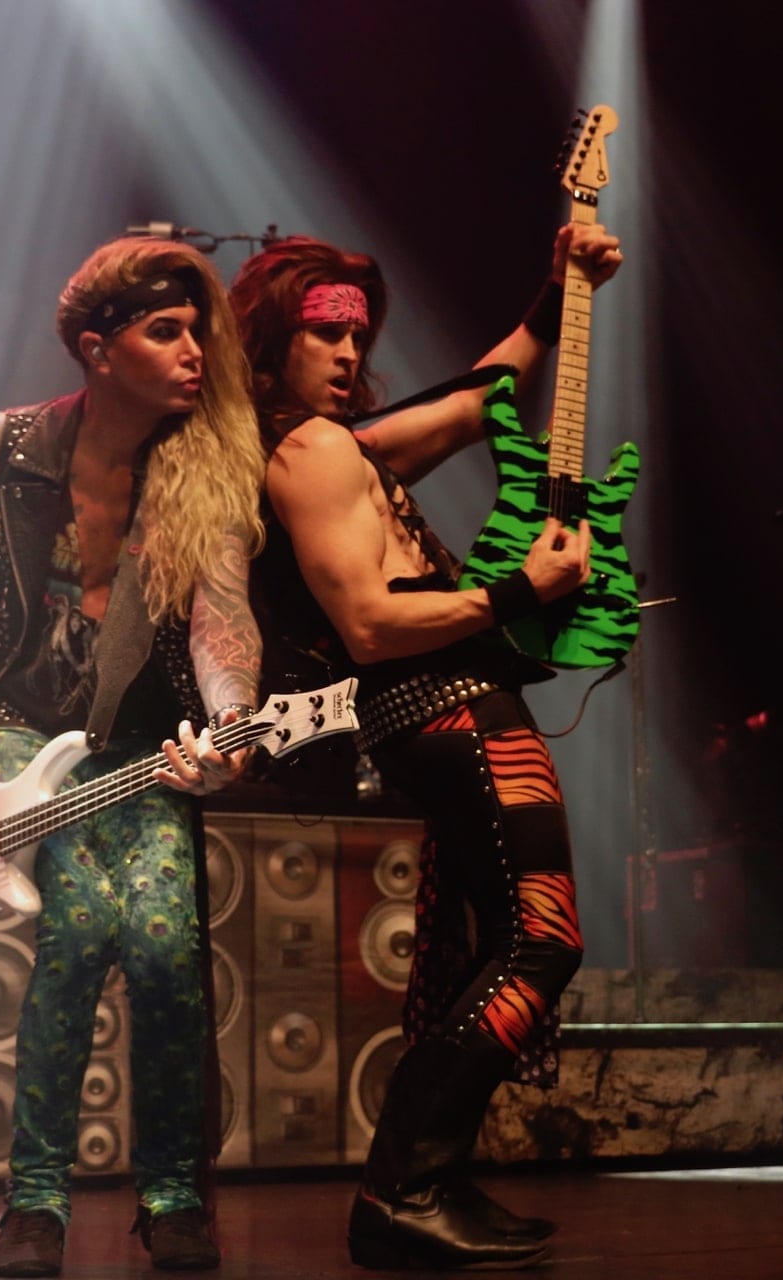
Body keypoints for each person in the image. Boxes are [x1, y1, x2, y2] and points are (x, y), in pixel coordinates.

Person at [228, 220, 621, 1270]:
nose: (349, 351)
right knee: (543, 942)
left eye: (358, 335)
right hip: (448, 710)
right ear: (271, 341)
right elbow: (367, 624)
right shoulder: (309, 452)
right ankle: (402, 1187)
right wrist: (516, 592)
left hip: (455, 709)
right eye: (324, 333)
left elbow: (481, 396)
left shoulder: (341, 446)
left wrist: (557, 293)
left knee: (509, 948)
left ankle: (422, 1182)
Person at [0, 237, 266, 1275]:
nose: (195, 350)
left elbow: (223, 622)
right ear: (98, 350)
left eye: (198, 330)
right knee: (77, 930)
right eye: (166, 330)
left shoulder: (205, 466)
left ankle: (172, 1195)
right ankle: (35, 1203)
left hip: (142, 744)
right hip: (17, 724)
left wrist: (234, 728)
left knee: (162, 947)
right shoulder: (5, 447)